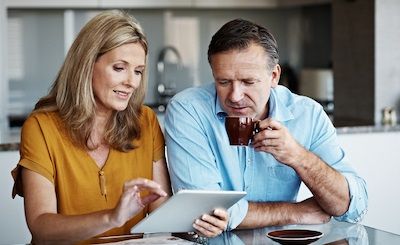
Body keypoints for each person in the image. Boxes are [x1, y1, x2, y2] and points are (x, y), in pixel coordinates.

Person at [11, 10, 227, 244]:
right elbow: (41, 229)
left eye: (138, 71)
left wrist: (197, 225)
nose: (132, 82)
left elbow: (161, 214)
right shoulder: (41, 127)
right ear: (87, 64)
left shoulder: (145, 120)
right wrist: (112, 217)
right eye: (119, 68)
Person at [164, 18, 368, 230]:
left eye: (248, 82)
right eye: (223, 82)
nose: (235, 96)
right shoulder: (188, 109)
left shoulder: (308, 114)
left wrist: (298, 157)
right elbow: (201, 210)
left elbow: (351, 205)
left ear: (274, 76)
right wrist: (294, 212)